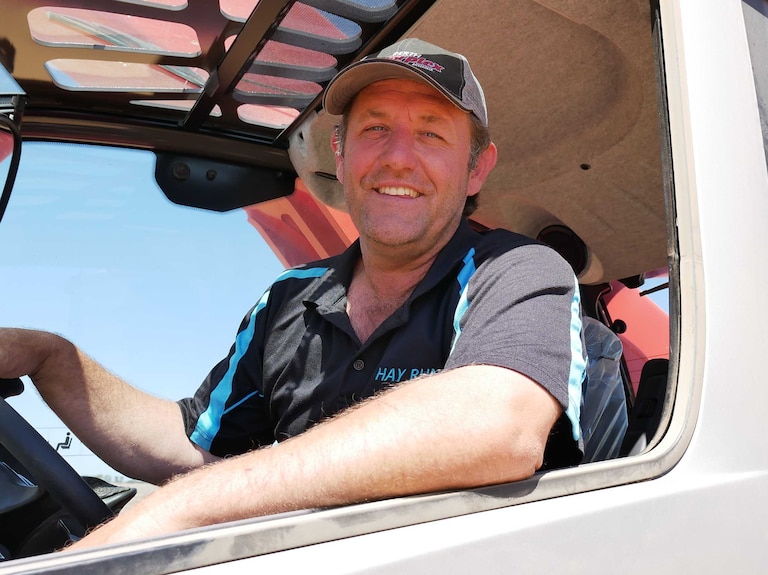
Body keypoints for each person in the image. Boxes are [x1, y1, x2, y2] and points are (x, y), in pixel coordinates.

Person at [0, 38, 584, 549]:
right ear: (341, 152)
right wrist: (48, 356)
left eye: (431, 134)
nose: (398, 158)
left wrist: (185, 505)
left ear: (477, 169)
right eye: (375, 128)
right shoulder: (289, 298)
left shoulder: (517, 270)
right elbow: (192, 444)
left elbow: (498, 430)